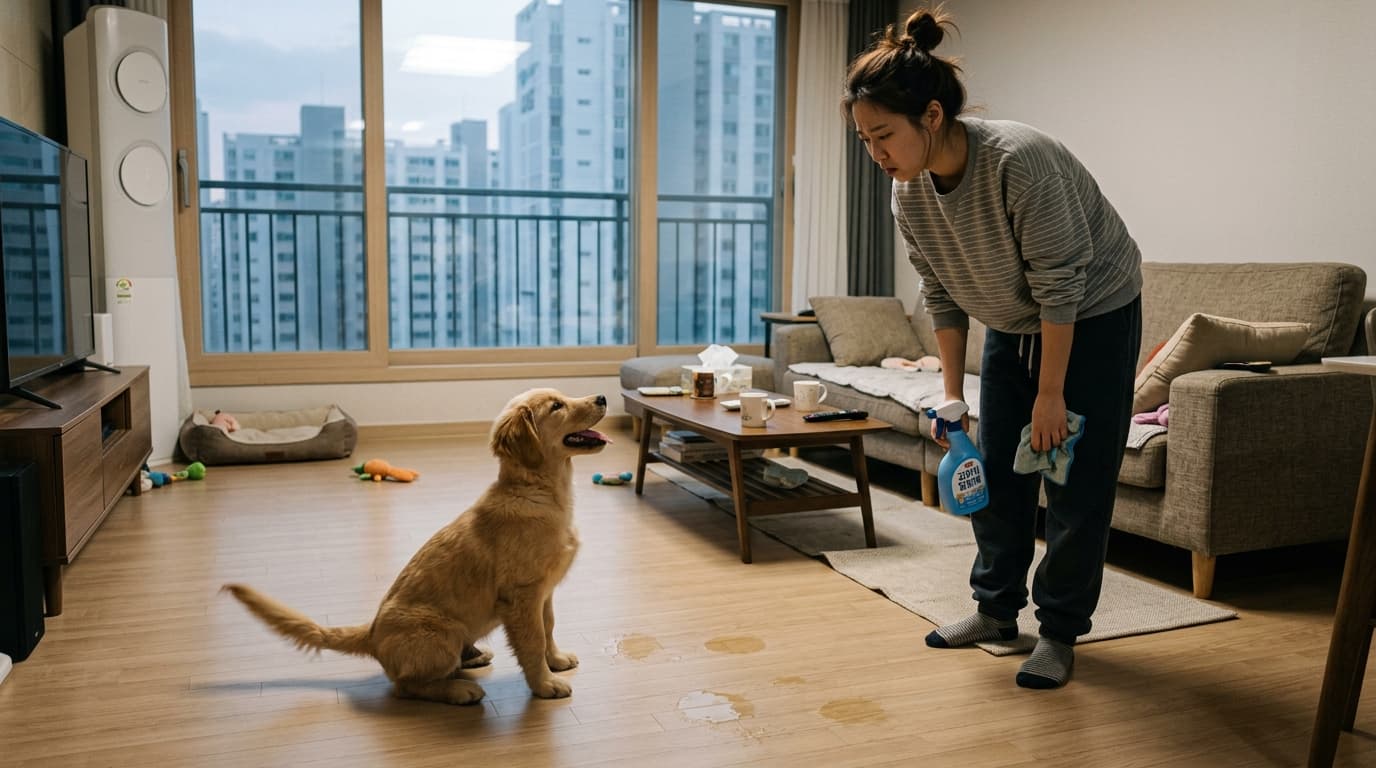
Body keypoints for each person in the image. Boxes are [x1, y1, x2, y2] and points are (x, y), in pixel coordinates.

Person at [842, 7, 1143, 689]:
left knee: (1072, 480)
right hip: (1012, 320)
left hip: (1090, 315)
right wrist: (952, 394)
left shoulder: (1019, 162)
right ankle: (997, 611)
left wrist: (1051, 394)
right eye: (864, 140)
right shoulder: (909, 197)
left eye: (883, 135)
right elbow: (942, 294)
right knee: (995, 474)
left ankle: (1060, 631)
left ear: (933, 118)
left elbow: (1061, 287)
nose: (876, 153)